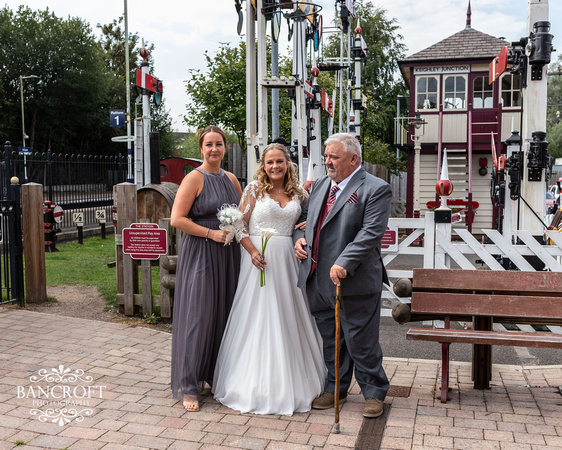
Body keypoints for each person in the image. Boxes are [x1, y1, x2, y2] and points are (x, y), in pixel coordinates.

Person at [212, 143, 326, 415]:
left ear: (288, 163)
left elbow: (310, 221)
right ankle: (254, 383)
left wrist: (305, 229)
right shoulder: (254, 190)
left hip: (288, 260)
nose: (275, 167)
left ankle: (295, 380)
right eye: (269, 162)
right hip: (259, 260)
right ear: (263, 165)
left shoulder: (300, 193)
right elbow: (239, 225)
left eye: (280, 161)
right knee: (260, 316)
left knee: (289, 315)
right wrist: (252, 252)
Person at [293, 133, 392, 418]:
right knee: (331, 340)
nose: (328, 162)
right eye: (326, 156)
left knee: (361, 341)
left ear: (353, 159)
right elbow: (304, 220)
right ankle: (335, 387)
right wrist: (298, 241)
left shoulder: (376, 188)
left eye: (333, 157)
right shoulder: (322, 184)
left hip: (354, 280)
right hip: (316, 279)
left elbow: (370, 233)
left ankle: (374, 392)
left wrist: (344, 262)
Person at [170, 125, 243, 412]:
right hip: (201, 251)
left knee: (224, 312)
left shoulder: (232, 179)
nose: (214, 149)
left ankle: (215, 375)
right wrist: (210, 233)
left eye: (219, 144)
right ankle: (189, 384)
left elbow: (244, 213)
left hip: (228, 254)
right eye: (209, 144)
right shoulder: (193, 178)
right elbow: (177, 219)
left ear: (225, 147)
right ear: (201, 148)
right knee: (199, 315)